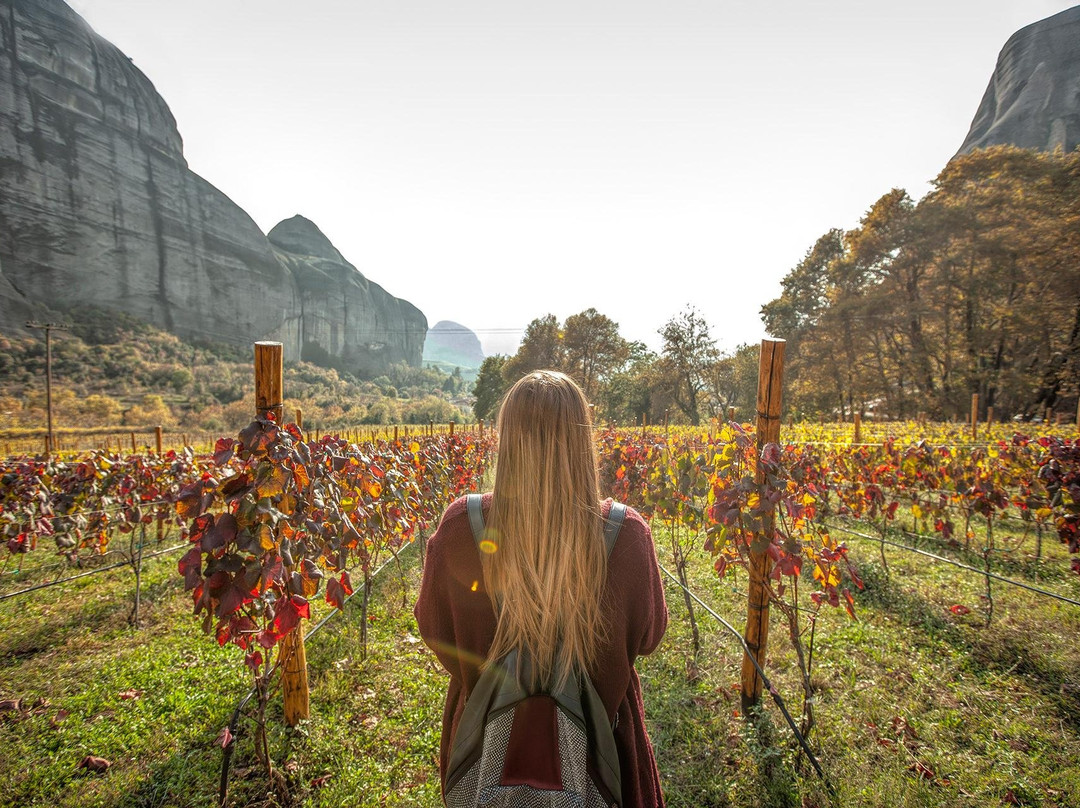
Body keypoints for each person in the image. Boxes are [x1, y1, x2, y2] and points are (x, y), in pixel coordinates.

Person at [415, 369, 668, 807]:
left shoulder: (460, 528)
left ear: (506, 439)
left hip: (484, 754)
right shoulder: (627, 537)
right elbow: (649, 638)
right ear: (582, 439)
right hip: (605, 756)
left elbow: (433, 629)